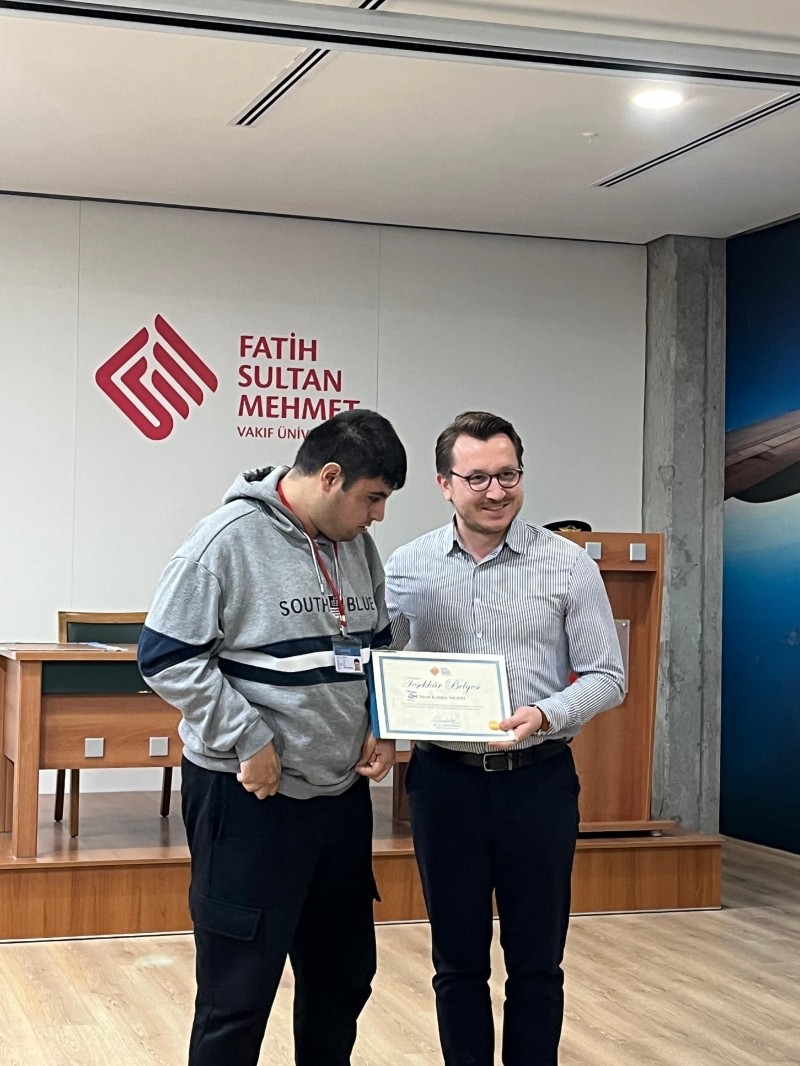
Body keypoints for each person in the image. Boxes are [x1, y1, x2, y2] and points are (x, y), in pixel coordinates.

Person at [138, 410, 406, 1066]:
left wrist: (380, 722)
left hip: (339, 801)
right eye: (373, 498)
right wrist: (248, 739)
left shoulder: (355, 546)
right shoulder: (224, 541)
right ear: (330, 477)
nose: (378, 517)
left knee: (343, 980)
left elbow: (373, 645)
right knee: (238, 996)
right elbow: (165, 656)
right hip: (250, 799)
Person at [385, 410, 624, 1066]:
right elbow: (381, 664)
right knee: (457, 963)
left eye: (508, 475)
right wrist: (379, 725)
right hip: (443, 784)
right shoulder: (407, 566)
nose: (496, 492)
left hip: (538, 782)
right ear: (444, 483)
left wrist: (544, 714)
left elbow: (609, 677)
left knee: (538, 963)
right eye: (478, 478)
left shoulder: (568, 565)